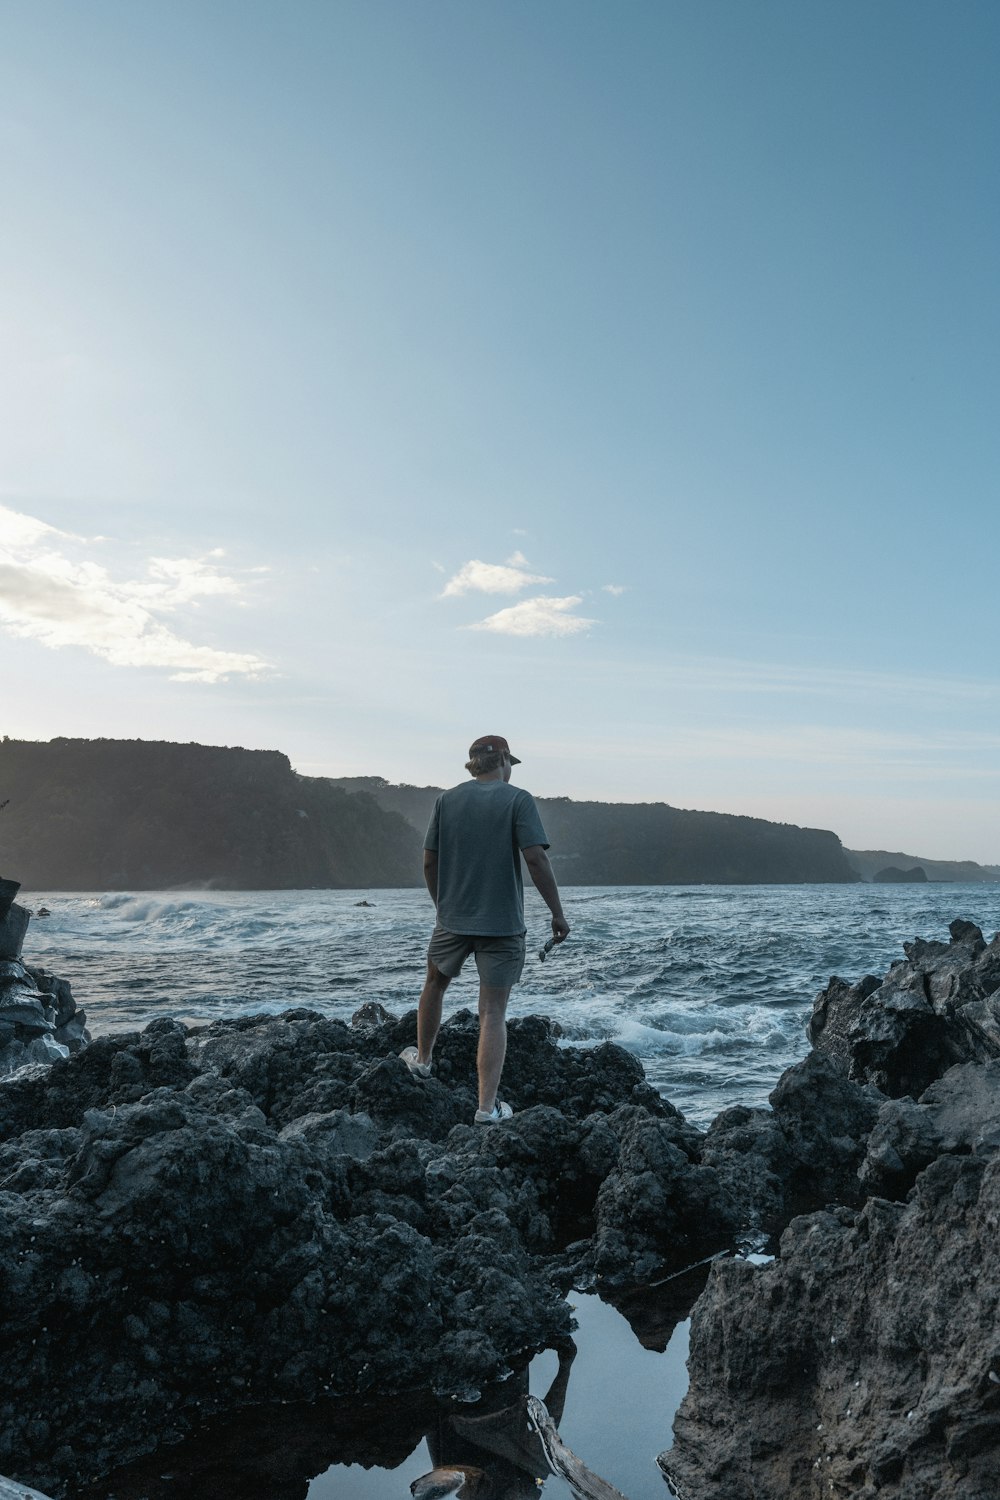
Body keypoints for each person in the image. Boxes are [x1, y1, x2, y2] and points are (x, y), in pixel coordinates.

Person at [399, 735, 569, 1124]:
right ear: (504, 760)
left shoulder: (446, 800)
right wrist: (557, 913)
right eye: (511, 763)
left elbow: (429, 862)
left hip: (452, 919)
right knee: (492, 1010)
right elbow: (536, 859)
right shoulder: (517, 799)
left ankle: (423, 1061)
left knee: (434, 984)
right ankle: (486, 1108)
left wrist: (443, 906)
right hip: (503, 924)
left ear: (473, 764)